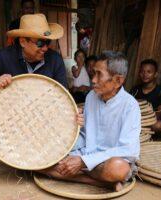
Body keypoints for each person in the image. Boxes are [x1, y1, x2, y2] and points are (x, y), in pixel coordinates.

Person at [0, 14, 77, 159]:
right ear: (23, 42)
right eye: (40, 43)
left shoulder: (54, 59)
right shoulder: (4, 56)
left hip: (42, 118)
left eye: (47, 42)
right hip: (11, 117)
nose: (45, 48)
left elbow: (63, 97)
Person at [39, 51, 141, 191]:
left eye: (99, 74)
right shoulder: (91, 97)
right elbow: (86, 135)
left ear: (118, 81)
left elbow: (128, 149)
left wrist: (82, 162)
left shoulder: (130, 106)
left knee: (118, 168)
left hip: (108, 161)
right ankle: (99, 182)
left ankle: (85, 174)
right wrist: (67, 141)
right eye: (94, 73)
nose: (93, 80)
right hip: (87, 154)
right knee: (40, 161)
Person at [130, 59, 161, 137]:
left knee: (159, 125)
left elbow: (158, 114)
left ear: (155, 74)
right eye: (142, 71)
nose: (145, 74)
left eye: (149, 72)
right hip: (135, 121)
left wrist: (143, 120)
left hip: (151, 123)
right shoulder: (135, 90)